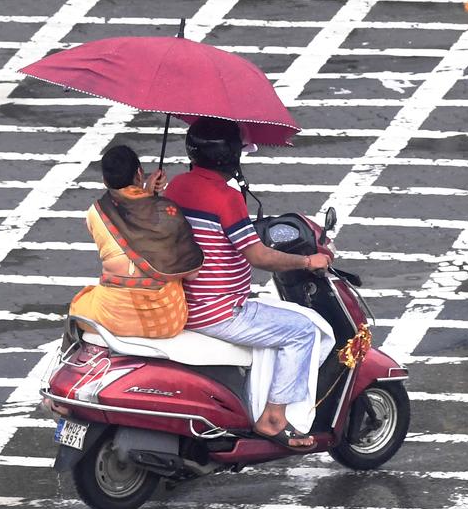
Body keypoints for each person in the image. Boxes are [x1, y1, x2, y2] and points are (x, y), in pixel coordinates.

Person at [164, 118, 332, 450]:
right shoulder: (226, 199)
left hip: (183, 301)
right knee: (303, 331)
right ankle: (273, 417)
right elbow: (258, 256)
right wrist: (306, 261)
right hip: (221, 311)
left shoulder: (176, 187)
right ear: (230, 156)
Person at [68, 144, 203, 339]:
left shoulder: (95, 213)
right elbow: (192, 274)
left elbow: (130, 213)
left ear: (105, 180)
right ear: (139, 174)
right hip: (167, 320)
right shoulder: (168, 212)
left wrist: (146, 193)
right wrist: (151, 196)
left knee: (78, 306)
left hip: (113, 316)